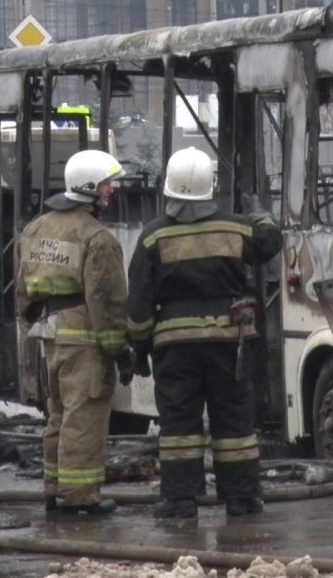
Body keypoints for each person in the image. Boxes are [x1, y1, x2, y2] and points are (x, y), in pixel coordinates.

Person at [127, 147, 283, 519]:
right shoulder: (234, 227)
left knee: (179, 424)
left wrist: (138, 348)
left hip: (174, 351)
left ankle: (180, 500)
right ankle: (242, 498)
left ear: (169, 188)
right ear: (210, 188)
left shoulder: (152, 238)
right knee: (234, 423)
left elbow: (138, 304)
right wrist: (261, 213)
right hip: (230, 346)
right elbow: (269, 242)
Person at [15, 149, 133, 517]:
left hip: (49, 336)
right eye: (105, 184)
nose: (111, 190)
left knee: (58, 416)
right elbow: (107, 302)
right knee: (84, 417)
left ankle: (54, 490)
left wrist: (36, 319)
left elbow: (23, 291)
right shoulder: (97, 238)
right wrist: (119, 351)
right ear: (87, 189)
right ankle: (80, 498)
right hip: (85, 341)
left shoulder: (36, 229)